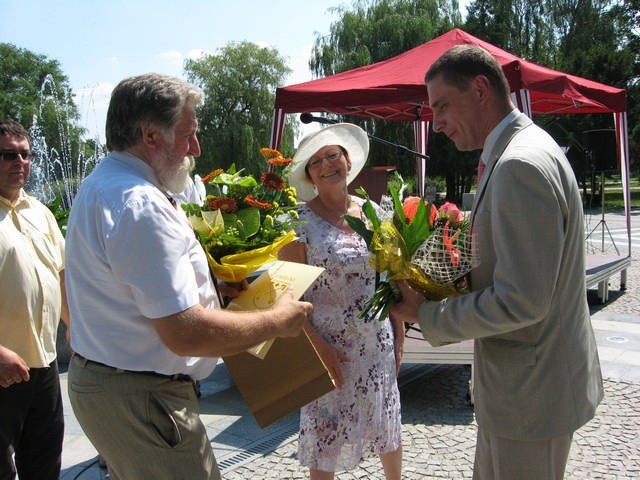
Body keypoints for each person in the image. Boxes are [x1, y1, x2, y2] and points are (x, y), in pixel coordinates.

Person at [64, 73, 312, 480]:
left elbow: (134, 292)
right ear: (150, 135)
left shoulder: (101, 185)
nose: (196, 148)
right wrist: (277, 322)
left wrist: (215, 289)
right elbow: (185, 333)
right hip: (144, 397)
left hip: (112, 386)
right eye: (188, 134)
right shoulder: (141, 204)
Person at [390, 45, 604, 480]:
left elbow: (522, 300)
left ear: (481, 89)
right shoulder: (517, 150)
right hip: (523, 390)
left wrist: (427, 313)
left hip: (530, 396)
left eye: (443, 105)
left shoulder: (519, 164)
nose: (438, 122)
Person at [279, 123, 403, 480]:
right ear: (310, 176)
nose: (327, 165)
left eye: (333, 155)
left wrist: (399, 335)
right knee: (326, 442)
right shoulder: (298, 223)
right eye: (316, 161)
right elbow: (288, 301)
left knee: (388, 425)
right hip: (330, 353)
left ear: (348, 161)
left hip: (376, 348)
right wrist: (319, 351)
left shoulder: (375, 215)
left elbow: (389, 280)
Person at [0, 118, 70, 479]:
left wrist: (76, 329)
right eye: (9, 155)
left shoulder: (40, 212)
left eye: (25, 154)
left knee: (44, 462)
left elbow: (61, 274)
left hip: (42, 366)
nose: (20, 162)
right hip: (1, 371)